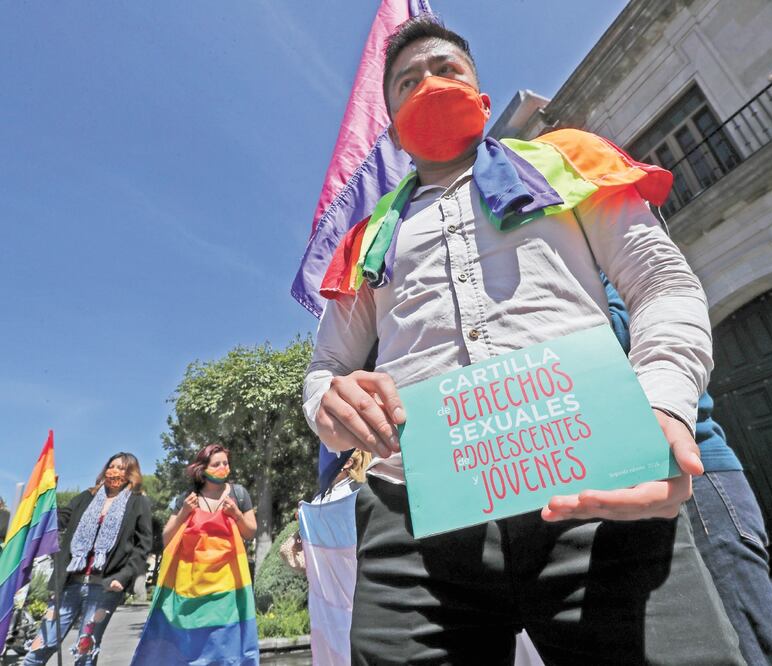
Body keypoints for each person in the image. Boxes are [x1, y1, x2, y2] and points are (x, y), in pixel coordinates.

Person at [302, 16, 746, 664]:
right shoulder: (365, 237)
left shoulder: (567, 160)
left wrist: (662, 403)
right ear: (392, 127)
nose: (428, 83)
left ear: (481, 96)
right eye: (406, 81)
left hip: (595, 478)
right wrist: (331, 406)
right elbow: (326, 367)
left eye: (445, 69)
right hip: (414, 515)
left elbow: (662, 286)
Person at [603, 276, 772, 666]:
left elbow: (627, 328)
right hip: (639, 487)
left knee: (752, 649)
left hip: (699, 482)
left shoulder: (616, 274)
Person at [131, 444, 258, 665]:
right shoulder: (187, 498)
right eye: (216, 464)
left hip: (228, 582)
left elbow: (250, 531)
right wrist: (183, 513)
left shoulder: (238, 493)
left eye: (225, 463)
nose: (222, 467)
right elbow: (167, 536)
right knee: (192, 641)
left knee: (223, 637)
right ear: (203, 468)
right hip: (192, 585)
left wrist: (236, 514)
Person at [23, 453, 152, 666]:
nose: (114, 471)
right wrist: (47, 496)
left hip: (105, 587)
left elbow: (143, 546)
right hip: (68, 584)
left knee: (85, 652)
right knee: (40, 647)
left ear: (131, 474)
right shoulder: (86, 497)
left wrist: (123, 576)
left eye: (121, 468)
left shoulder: (138, 502)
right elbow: (58, 521)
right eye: (111, 466)